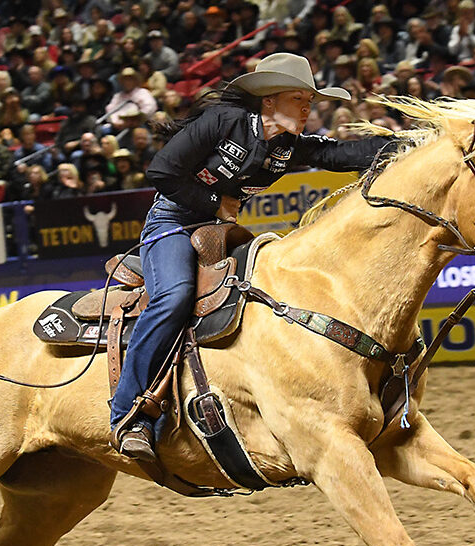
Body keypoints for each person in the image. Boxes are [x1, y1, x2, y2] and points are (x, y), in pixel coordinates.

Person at [109, 53, 393, 459]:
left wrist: (415, 146)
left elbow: (340, 155)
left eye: (311, 100)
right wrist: (215, 201)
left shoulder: (289, 145)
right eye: (300, 98)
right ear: (269, 102)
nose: (308, 107)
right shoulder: (224, 122)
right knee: (173, 297)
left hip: (221, 230)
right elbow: (161, 171)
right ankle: (128, 415)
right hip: (172, 222)